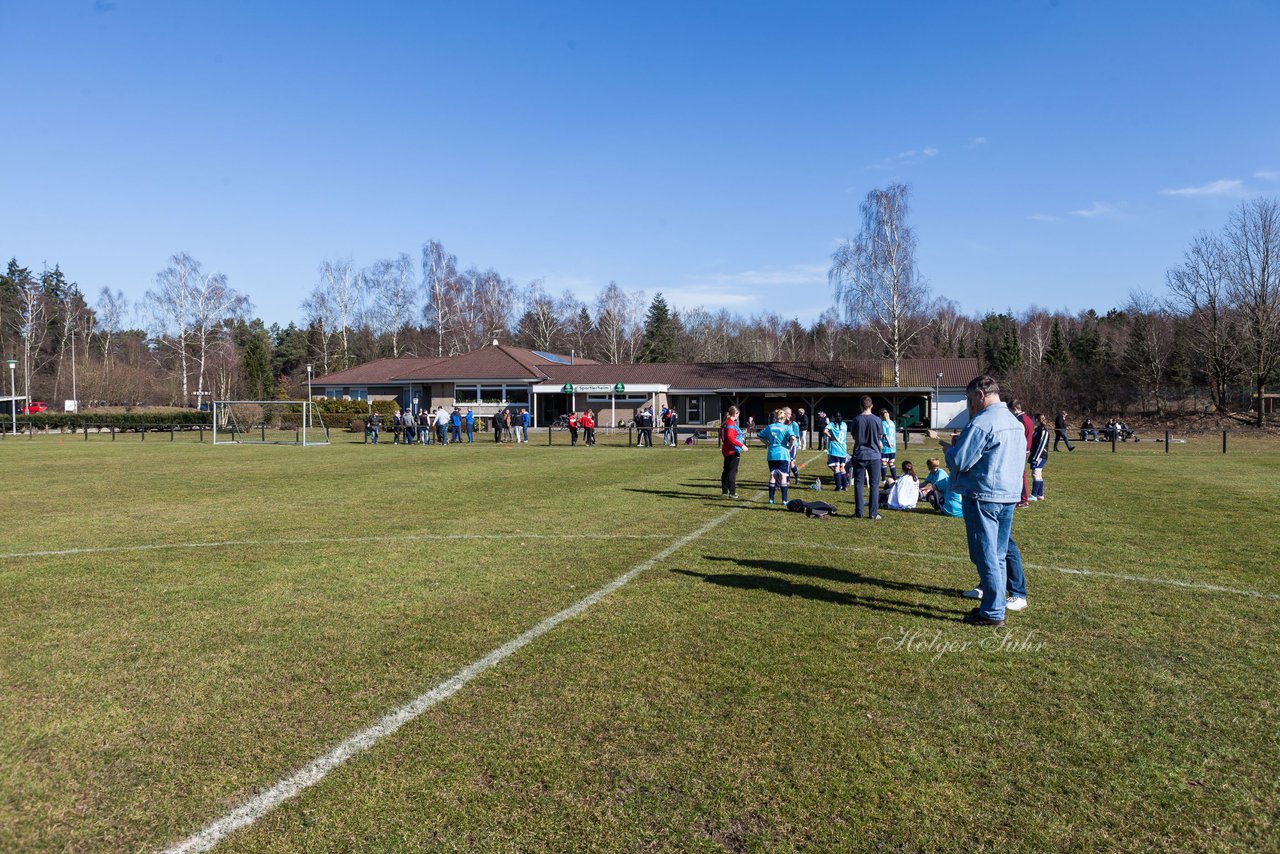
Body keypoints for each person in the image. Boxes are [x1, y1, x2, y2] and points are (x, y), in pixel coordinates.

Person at [941, 375, 1028, 626]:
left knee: (986, 554)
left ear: (980, 395)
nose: (970, 405)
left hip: (984, 495)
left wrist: (950, 451)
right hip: (1008, 495)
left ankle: (992, 611)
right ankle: (995, 605)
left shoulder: (982, 422)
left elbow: (960, 461)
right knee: (998, 554)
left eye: (970, 399)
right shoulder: (1014, 422)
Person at [850, 396, 885, 520]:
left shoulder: (856, 419)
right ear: (872, 405)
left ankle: (859, 513)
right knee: (874, 485)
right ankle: (873, 513)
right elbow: (880, 436)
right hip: (874, 455)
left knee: (859, 484)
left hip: (859, 454)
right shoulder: (877, 420)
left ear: (860, 405)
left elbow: (854, 436)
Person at [757, 408, 793, 505]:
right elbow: (793, 438)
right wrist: (790, 446)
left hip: (772, 454)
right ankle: (784, 500)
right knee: (783, 477)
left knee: (772, 476)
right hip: (783, 454)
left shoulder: (770, 427)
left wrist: (767, 443)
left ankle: (771, 499)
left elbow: (759, 435)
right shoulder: (786, 428)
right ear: (784, 418)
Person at [1009, 400, 1034, 508]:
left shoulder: (1020, 420)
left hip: (1020, 450)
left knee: (1020, 475)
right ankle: (1021, 498)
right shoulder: (1027, 419)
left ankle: (1023, 500)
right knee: (1020, 474)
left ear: (1014, 408)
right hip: (1026, 449)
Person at [720, 405, 747, 498]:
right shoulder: (730, 423)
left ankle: (724, 491)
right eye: (738, 414)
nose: (738, 416)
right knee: (732, 471)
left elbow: (722, 436)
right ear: (735, 413)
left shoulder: (724, 423)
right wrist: (741, 445)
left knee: (726, 470)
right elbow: (730, 437)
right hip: (732, 450)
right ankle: (732, 492)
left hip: (726, 449)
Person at [824, 412, 848, 491]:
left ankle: (838, 487)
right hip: (843, 449)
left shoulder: (832, 424)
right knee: (842, 468)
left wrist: (830, 437)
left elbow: (825, 431)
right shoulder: (844, 424)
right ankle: (845, 486)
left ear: (834, 417)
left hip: (835, 449)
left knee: (836, 468)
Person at [1029, 412, 1051, 501]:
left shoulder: (1044, 431)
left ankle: (1034, 495)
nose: (1032, 420)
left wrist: (1036, 458)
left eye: (1034, 419)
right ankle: (1040, 495)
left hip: (1041, 455)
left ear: (1037, 420)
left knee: (1036, 474)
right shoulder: (1037, 430)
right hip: (1035, 454)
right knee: (1038, 474)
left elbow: (1041, 446)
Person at [880, 409, 898, 482]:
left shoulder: (883, 423)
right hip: (893, 446)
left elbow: (885, 435)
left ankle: (883, 480)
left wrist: (889, 443)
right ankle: (895, 479)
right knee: (891, 462)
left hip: (886, 445)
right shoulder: (892, 423)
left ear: (881, 416)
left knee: (884, 462)